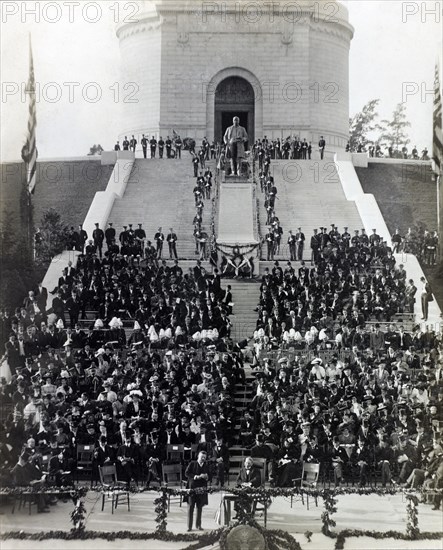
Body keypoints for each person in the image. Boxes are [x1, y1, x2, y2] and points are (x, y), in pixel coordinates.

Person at [185, 450, 209, 531]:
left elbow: (210, 475)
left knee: (199, 507)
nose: (203, 458)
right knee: (190, 507)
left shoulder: (206, 465)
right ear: (198, 456)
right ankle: (189, 526)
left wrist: (206, 476)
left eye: (204, 457)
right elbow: (187, 473)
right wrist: (195, 476)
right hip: (192, 488)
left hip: (202, 489)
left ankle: (198, 525)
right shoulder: (192, 463)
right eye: (201, 457)